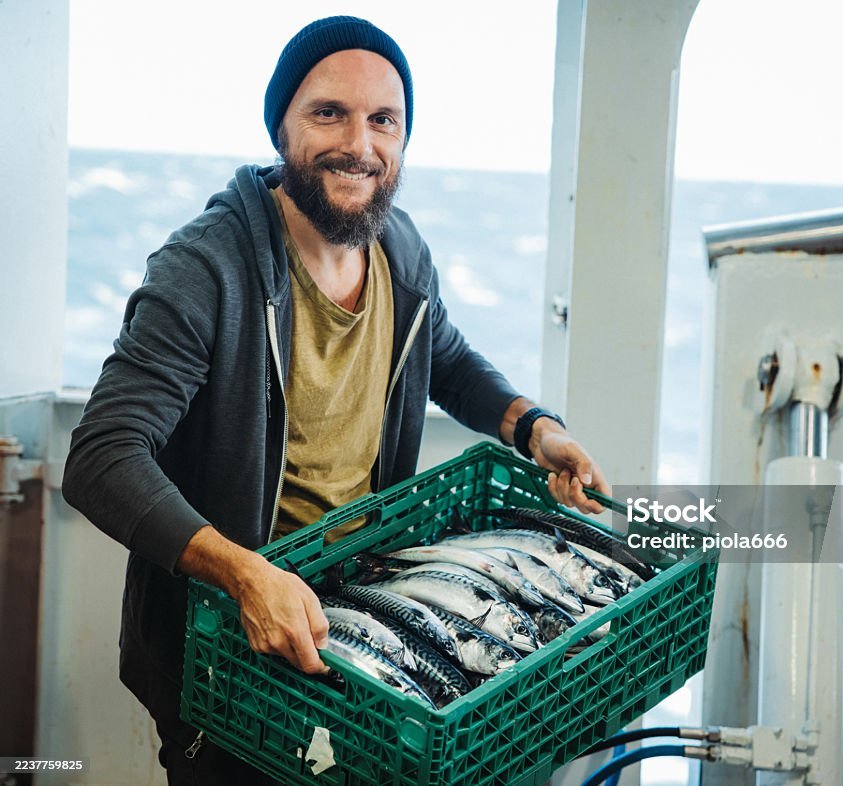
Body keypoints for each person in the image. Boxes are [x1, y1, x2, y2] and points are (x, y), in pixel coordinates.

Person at [61, 15, 610, 785]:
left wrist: (535, 428)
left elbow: (445, 359)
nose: (360, 143)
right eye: (329, 113)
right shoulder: (205, 269)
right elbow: (101, 458)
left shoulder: (401, 249)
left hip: (363, 613)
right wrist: (247, 575)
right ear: (281, 126)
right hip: (230, 648)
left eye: (383, 120)